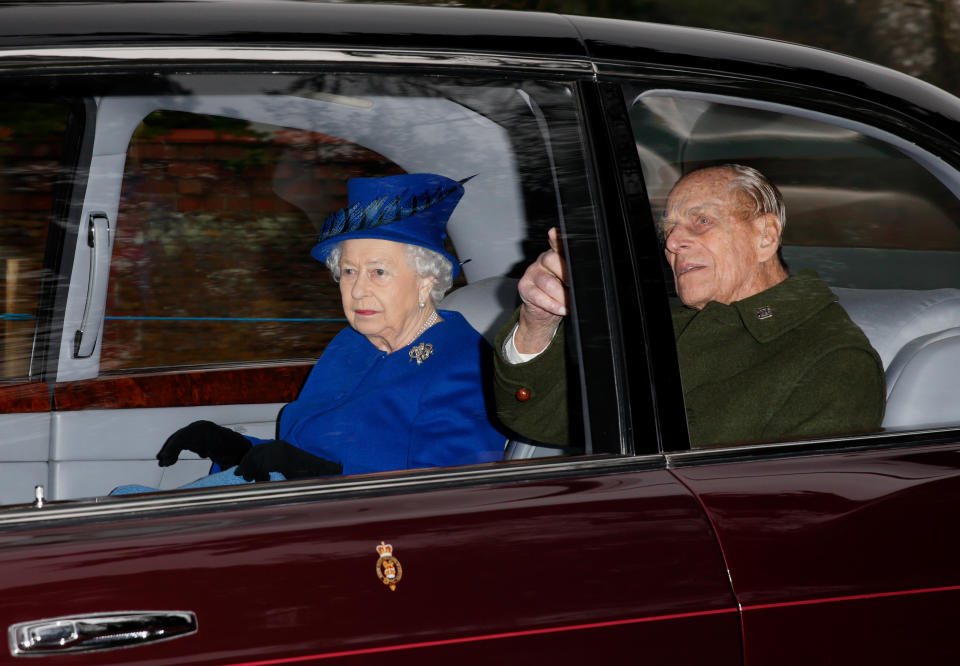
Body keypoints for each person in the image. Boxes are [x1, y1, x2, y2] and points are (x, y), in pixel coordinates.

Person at [140, 173, 506, 488]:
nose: (358, 289)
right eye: (349, 271)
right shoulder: (352, 343)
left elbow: (450, 498)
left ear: (426, 281)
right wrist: (238, 448)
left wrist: (317, 475)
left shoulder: (463, 366)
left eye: (378, 271)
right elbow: (304, 449)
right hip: (292, 506)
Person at [493, 164, 885, 449]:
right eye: (668, 230)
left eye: (701, 221)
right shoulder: (661, 326)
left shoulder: (834, 360)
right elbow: (539, 418)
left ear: (765, 237)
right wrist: (537, 321)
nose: (673, 242)